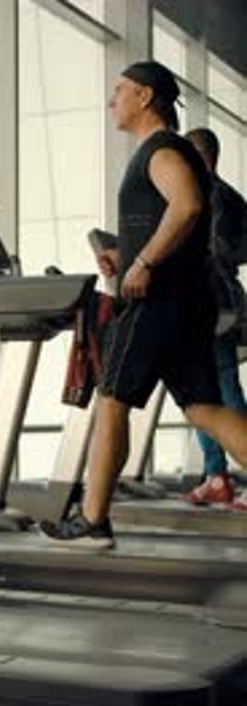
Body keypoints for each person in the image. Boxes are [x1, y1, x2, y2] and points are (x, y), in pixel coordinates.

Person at [40, 60, 247, 549]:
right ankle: (93, 518)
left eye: (120, 90)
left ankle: (93, 521)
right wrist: (125, 255)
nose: (112, 100)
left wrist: (145, 264)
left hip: (158, 303)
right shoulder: (162, 151)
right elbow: (177, 215)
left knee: (111, 401)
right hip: (184, 302)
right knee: (205, 408)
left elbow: (188, 205)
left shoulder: (161, 150)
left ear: (146, 97)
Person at [183, 128, 247, 508]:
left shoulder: (209, 195)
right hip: (216, 300)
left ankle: (219, 474)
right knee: (203, 390)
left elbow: (220, 249)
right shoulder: (230, 196)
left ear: (199, 156)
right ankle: (216, 475)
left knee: (219, 389)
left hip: (208, 300)